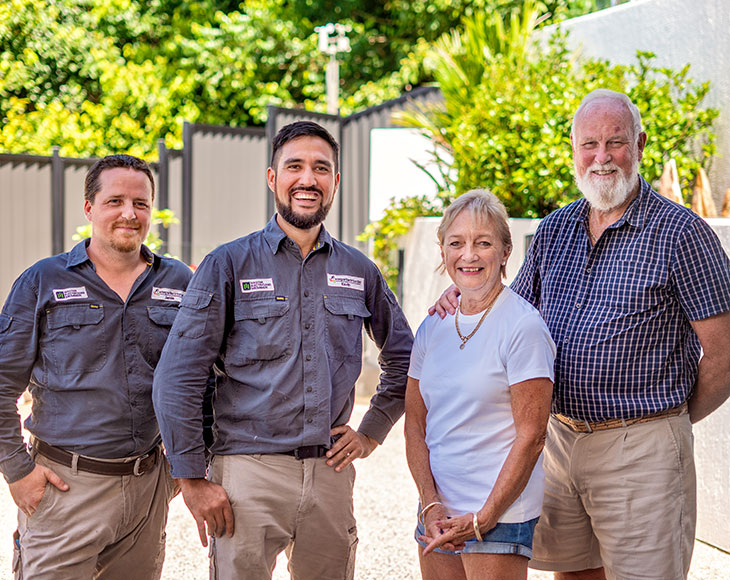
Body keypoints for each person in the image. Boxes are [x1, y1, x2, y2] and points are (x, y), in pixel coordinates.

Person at [431, 89, 730, 580]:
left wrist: (666, 423)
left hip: (641, 448)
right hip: (558, 443)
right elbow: (509, 311)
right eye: (589, 144)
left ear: (639, 144)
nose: (601, 157)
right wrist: (462, 291)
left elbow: (723, 354)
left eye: (616, 142)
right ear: (574, 150)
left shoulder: (682, 233)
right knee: (572, 574)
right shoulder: (555, 230)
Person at [152, 120, 413, 580]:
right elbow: (178, 376)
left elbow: (407, 357)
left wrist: (371, 432)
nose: (307, 179)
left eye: (321, 168)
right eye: (294, 167)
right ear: (272, 178)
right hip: (246, 475)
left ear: (335, 181)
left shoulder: (359, 270)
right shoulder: (228, 264)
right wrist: (191, 478)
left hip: (330, 474)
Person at [0, 154, 193, 579]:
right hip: (65, 490)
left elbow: (204, 378)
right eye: (115, 201)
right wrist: (17, 471)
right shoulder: (43, 281)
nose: (129, 214)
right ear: (89, 208)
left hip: (148, 489)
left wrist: (189, 465)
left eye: (141, 204)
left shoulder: (179, 283)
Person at [406, 190, 555, 580]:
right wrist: (430, 505)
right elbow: (415, 425)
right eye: (456, 243)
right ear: (443, 251)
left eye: (483, 243)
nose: (468, 255)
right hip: (437, 515)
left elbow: (532, 436)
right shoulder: (432, 326)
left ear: (505, 252)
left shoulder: (523, 327)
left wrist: (483, 519)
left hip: (498, 518)